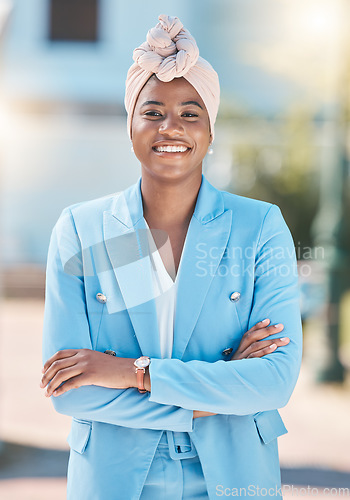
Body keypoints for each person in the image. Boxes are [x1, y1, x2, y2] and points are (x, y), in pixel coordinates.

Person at [40, 14, 302, 500]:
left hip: (234, 475)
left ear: (211, 128)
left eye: (190, 112)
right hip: (115, 479)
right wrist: (215, 394)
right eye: (153, 111)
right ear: (131, 124)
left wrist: (130, 373)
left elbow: (273, 382)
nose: (171, 128)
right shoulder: (82, 229)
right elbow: (69, 388)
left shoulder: (259, 227)